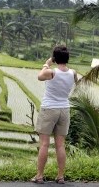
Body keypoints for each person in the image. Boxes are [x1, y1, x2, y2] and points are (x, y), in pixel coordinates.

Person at [32, 45, 77, 184]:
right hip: (64, 109)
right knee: (60, 145)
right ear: (67, 58)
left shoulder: (51, 72)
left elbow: (40, 77)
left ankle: (39, 176)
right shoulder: (73, 73)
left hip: (49, 109)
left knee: (44, 144)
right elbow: (75, 82)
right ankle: (60, 176)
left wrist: (46, 63)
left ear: (55, 58)